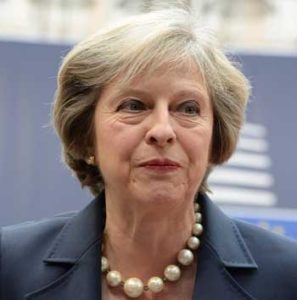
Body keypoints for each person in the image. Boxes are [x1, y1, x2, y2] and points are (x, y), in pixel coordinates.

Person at [1, 8, 297, 300]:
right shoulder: (10, 268)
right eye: (134, 106)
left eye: (188, 109)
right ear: (86, 137)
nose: (162, 130)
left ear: (215, 138)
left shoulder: (286, 277)